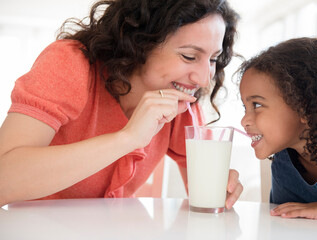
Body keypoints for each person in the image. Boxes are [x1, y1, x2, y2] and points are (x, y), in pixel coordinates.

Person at [0, 0, 243, 208]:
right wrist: (127, 139)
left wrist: (220, 190)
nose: (203, 78)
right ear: (140, 42)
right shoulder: (71, 63)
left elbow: (203, 190)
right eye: (189, 56)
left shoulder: (178, 97)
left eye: (213, 59)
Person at [238, 37, 317, 222]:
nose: (244, 120)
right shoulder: (283, 163)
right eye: (245, 107)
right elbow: (284, 224)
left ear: (305, 108)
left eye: (256, 105)